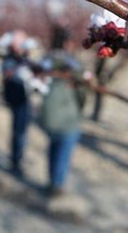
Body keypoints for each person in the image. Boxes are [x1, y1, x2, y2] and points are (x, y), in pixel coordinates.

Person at [39, 26, 86, 196]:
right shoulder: (72, 65)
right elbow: (83, 88)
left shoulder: (45, 61)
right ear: (67, 43)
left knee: (53, 147)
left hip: (49, 115)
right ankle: (57, 184)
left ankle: (51, 180)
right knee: (64, 151)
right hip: (68, 116)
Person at [0, 30, 37, 177]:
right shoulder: (10, 58)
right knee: (19, 132)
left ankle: (18, 159)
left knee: (21, 131)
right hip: (17, 99)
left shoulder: (23, 57)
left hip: (24, 98)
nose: (21, 44)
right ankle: (16, 162)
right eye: (19, 41)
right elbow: (9, 74)